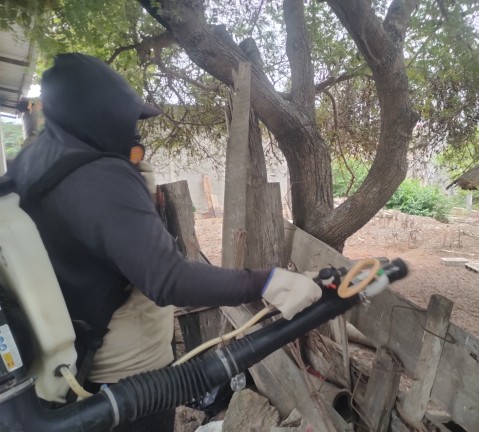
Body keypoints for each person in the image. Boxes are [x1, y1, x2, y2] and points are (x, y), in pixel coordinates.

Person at [7, 53, 321, 431]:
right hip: (127, 379)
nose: (135, 135)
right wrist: (268, 282)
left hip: (75, 366)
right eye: (127, 121)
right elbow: (168, 279)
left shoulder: (33, 160)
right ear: (99, 114)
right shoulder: (100, 176)